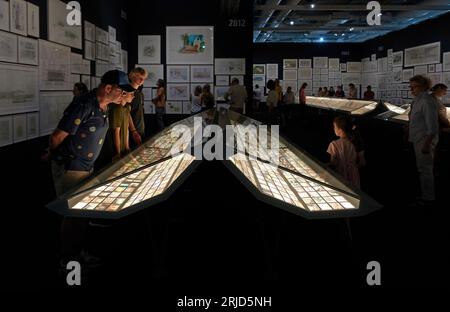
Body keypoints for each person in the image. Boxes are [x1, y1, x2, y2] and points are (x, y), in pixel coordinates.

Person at [44, 70, 135, 266]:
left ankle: (78, 254)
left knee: (82, 214)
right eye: (121, 91)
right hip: (72, 167)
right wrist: (52, 156)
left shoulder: (103, 106)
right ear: (108, 87)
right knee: (72, 216)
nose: (123, 95)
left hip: (85, 167)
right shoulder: (85, 105)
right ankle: (68, 261)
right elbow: (57, 137)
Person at [408, 75, 439, 206]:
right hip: (418, 139)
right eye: (411, 87)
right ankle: (424, 194)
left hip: (424, 140)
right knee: (422, 169)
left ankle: (428, 198)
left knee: (426, 170)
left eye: (413, 87)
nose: (411, 90)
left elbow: (432, 127)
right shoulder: (417, 100)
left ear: (422, 86)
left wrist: (426, 144)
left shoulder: (426, 101)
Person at [327, 116, 361, 188]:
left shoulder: (334, 144)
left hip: (341, 175)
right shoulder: (356, 142)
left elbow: (334, 163)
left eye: (334, 127)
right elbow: (362, 162)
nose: (334, 129)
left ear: (340, 129)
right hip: (354, 176)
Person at [108, 90, 136, 160]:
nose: (133, 96)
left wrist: (127, 148)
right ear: (123, 94)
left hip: (123, 149)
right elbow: (116, 132)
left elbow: (127, 129)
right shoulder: (117, 108)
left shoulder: (126, 108)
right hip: (116, 150)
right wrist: (118, 153)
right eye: (131, 94)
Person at [128, 67, 148, 144]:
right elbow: (126, 113)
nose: (142, 81)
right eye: (140, 78)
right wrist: (133, 131)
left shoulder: (139, 93)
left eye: (143, 78)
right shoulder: (127, 93)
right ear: (133, 76)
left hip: (140, 128)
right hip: (132, 131)